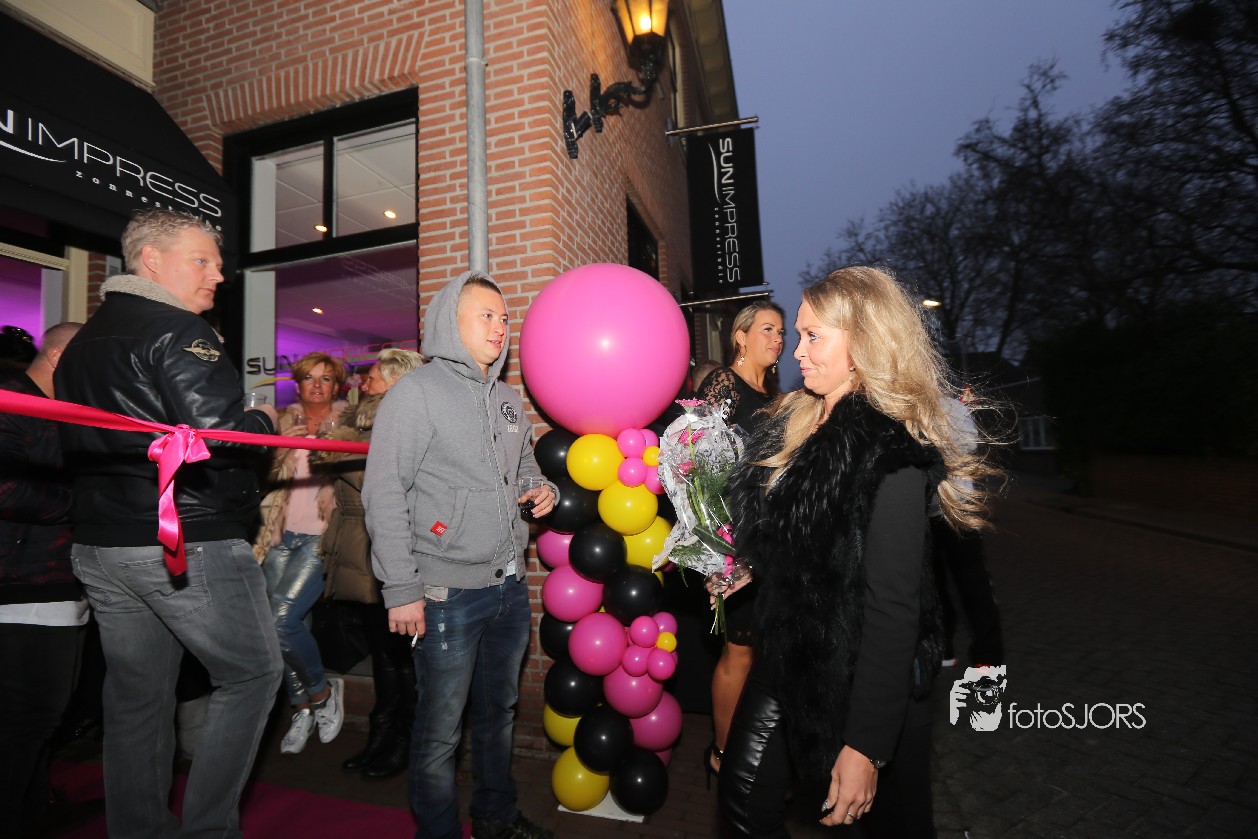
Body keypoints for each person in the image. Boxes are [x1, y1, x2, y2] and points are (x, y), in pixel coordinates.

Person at [716, 266, 998, 837]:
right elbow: (802, 536)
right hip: (789, 651)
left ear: (863, 341)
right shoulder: (798, 420)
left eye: (813, 336)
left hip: (866, 674)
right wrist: (750, 566)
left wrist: (866, 745)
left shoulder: (890, 448)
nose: (797, 351)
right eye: (797, 335)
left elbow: (893, 607)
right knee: (741, 802)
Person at [55, 208, 282, 838]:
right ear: (151, 261)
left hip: (101, 543)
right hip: (185, 541)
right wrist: (265, 420)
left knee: (136, 698)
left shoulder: (81, 342)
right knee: (253, 674)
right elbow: (223, 438)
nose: (218, 276)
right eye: (202, 260)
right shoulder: (179, 329)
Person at [363, 272, 558, 839]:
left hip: (507, 590)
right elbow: (384, 492)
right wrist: (401, 589)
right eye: (486, 315)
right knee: (440, 732)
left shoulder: (507, 400)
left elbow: (525, 467)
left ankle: (495, 819)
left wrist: (541, 488)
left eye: (504, 317)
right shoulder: (415, 394)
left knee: (498, 717)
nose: (500, 327)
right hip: (444, 594)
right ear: (452, 321)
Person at [312, 347, 426, 779]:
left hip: (386, 544)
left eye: (373, 377)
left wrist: (332, 447)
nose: (364, 382)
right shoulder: (361, 421)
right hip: (360, 544)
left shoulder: (399, 422)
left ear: (396, 381)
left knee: (401, 654)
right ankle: (383, 736)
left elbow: (377, 478)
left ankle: (406, 742)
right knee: (384, 652)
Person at [693, 300, 785, 781]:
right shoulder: (724, 385)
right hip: (736, 540)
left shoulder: (775, 397)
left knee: (764, 651)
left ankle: (753, 751)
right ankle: (723, 753)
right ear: (741, 336)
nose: (778, 339)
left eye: (781, 332)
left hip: (771, 542)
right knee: (740, 650)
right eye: (767, 329)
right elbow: (696, 464)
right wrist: (718, 547)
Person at [0, 322, 84, 834]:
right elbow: (6, 489)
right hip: (22, 585)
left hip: (54, 579)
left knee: (42, 718)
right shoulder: (12, 399)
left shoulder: (65, 408)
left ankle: (32, 811)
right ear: (57, 357)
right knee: (28, 717)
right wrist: (89, 504)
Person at [253, 351, 349, 755]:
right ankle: (302, 709)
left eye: (326, 379)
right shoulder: (280, 421)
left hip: (319, 538)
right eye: (310, 377)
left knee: (281, 620)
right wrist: (276, 453)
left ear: (337, 386)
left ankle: (323, 693)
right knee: (286, 628)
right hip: (279, 536)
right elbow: (260, 480)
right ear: (298, 384)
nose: (317, 385)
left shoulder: (348, 425)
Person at [932, 394, 1004, 667]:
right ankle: (943, 649)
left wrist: (931, 442)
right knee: (933, 585)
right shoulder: (902, 405)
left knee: (973, 584)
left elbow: (969, 443)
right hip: (924, 513)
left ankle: (988, 656)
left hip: (958, 510)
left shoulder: (950, 406)